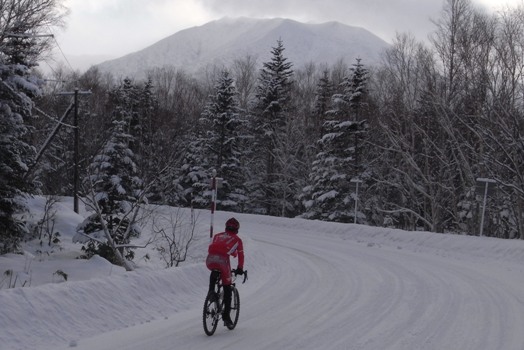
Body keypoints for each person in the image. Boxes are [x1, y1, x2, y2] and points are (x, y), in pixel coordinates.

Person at [206, 217, 244, 327]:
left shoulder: (217, 235)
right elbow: (240, 255)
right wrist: (240, 268)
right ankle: (226, 317)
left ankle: (211, 293)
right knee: (227, 287)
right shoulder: (237, 240)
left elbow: (220, 247)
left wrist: (232, 253)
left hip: (209, 260)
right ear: (237, 229)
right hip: (223, 262)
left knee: (214, 271)